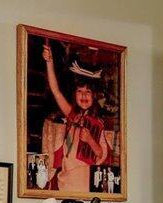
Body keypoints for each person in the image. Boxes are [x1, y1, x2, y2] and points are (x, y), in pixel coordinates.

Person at [39, 43, 116, 193]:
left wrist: (90, 140)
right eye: (80, 91)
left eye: (88, 92)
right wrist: (49, 62)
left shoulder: (99, 123)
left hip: (85, 182)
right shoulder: (72, 116)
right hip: (66, 180)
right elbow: (56, 92)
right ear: (74, 94)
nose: (84, 95)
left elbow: (101, 154)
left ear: (94, 96)